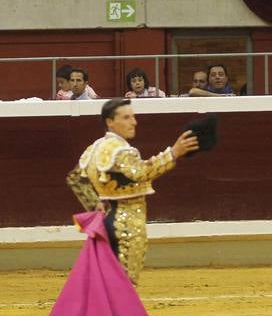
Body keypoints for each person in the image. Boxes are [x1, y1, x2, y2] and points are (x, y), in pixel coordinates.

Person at [66, 98, 198, 285]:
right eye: (127, 117)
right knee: (125, 283)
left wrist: (95, 203)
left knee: (108, 281)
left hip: (106, 222)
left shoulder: (94, 148)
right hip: (127, 223)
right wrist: (173, 153)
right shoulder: (121, 151)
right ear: (110, 122)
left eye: (133, 117)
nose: (134, 122)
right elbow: (142, 172)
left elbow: (75, 179)